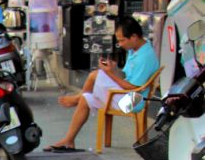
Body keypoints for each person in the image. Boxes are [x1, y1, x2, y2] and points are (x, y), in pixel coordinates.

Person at [45, 16, 160, 152]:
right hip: (125, 94)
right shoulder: (134, 50)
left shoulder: (145, 56)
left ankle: (76, 98)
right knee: (85, 98)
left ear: (134, 37)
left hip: (133, 101)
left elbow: (133, 87)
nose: (120, 44)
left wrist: (110, 73)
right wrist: (113, 70)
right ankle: (69, 140)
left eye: (122, 40)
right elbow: (125, 76)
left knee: (95, 75)